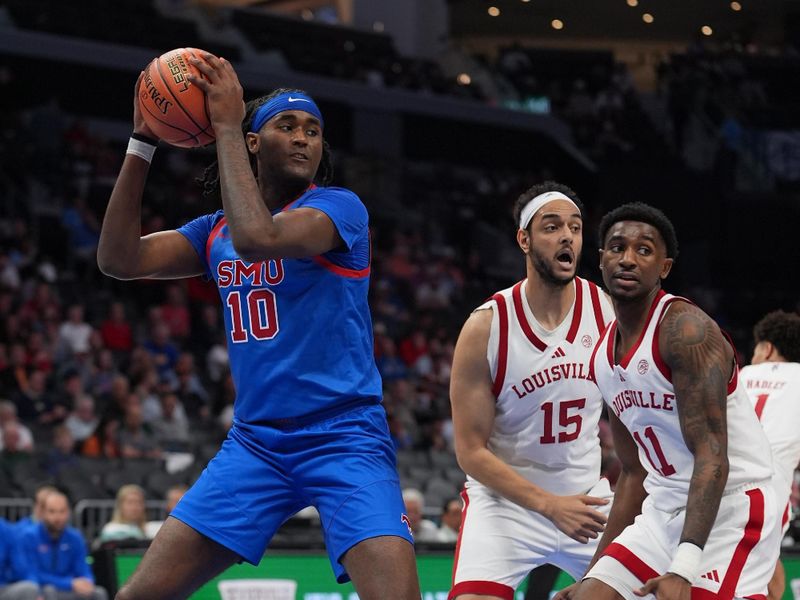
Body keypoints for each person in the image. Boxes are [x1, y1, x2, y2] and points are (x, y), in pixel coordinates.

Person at [97, 52, 419, 600]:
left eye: (313, 131)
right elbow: (118, 259)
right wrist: (142, 142)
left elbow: (259, 239)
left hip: (343, 435)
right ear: (252, 143)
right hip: (257, 444)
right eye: (286, 126)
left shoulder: (340, 209)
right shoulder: (212, 230)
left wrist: (225, 122)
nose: (303, 139)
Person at [560, 202, 781, 600]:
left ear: (664, 267)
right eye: (616, 247)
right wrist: (590, 575)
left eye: (643, 250)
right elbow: (632, 473)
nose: (627, 259)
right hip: (663, 510)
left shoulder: (686, 330)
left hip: (732, 507)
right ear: (600, 259)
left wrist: (683, 568)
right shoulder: (601, 360)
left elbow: (712, 455)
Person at [448, 182, 614, 599]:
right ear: (524, 239)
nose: (567, 237)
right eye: (552, 226)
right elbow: (470, 452)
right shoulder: (486, 326)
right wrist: (548, 505)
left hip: (587, 504)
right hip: (507, 507)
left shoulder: (606, 312)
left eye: (575, 228)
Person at [739, 309, 800, 600]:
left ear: (767, 348)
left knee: (767, 572)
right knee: (757, 578)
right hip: (770, 492)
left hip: (719, 481)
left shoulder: (742, 375)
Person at [17, 491, 108, 600]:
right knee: (48, 591)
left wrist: (87, 582)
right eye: (52, 511)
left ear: (68, 512)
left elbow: (84, 569)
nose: (58, 517)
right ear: (42, 513)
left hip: (71, 588)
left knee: (99, 593)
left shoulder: (75, 537)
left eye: (62, 511)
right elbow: (32, 574)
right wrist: (69, 583)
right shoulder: (28, 536)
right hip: (47, 588)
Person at [0, 518, 39, 600]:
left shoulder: (4, 529)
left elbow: (21, 568)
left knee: (30, 589)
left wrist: (38, 592)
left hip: (2, 588)